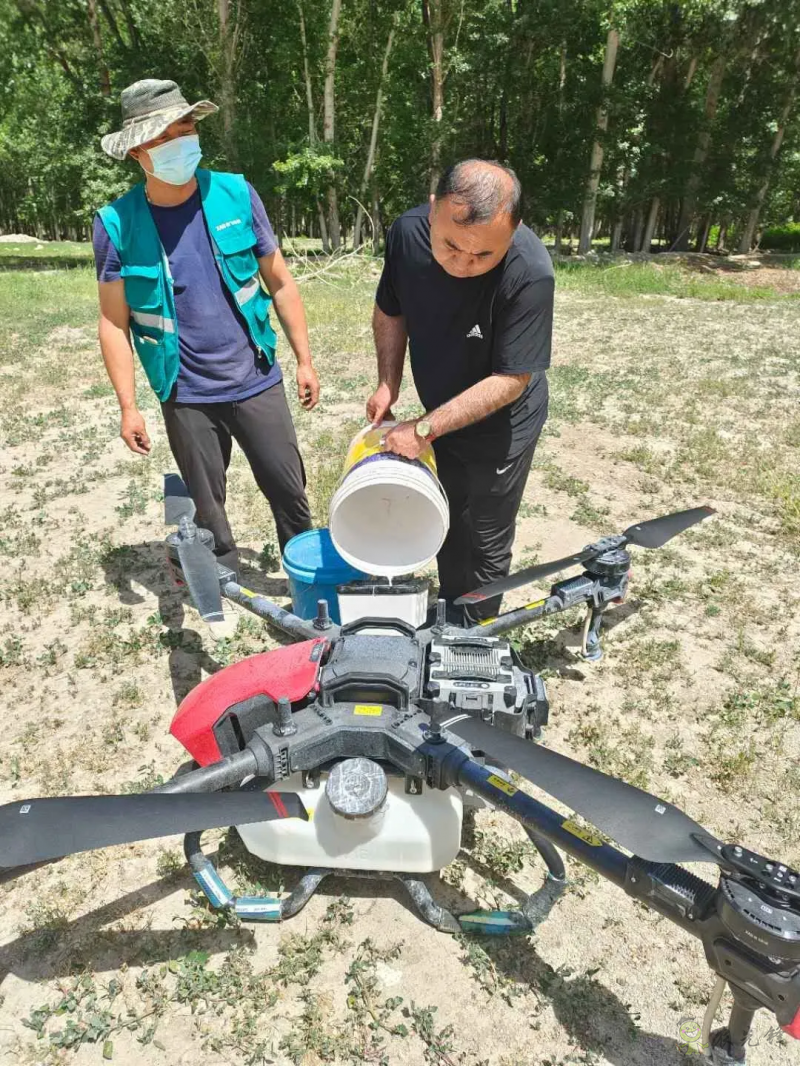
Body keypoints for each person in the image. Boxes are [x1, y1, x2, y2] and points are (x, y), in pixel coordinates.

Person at [93, 79, 319, 577]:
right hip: (185, 389)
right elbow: (114, 322)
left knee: (288, 486)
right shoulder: (116, 223)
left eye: (187, 127)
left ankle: (305, 573)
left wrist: (304, 359)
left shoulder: (235, 193)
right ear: (136, 152)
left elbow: (279, 282)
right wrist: (128, 407)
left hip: (255, 376)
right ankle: (221, 578)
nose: (182, 141)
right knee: (206, 500)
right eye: (163, 136)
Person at [367, 159, 554, 622]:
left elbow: (512, 379)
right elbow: (390, 310)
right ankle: (454, 610)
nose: (464, 264)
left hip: (503, 424)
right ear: (433, 211)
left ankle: (480, 630)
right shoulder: (407, 235)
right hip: (441, 415)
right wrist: (388, 382)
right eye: (451, 246)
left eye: (484, 256)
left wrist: (425, 428)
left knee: (486, 534)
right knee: (447, 516)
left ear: (515, 231)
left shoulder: (530, 272)